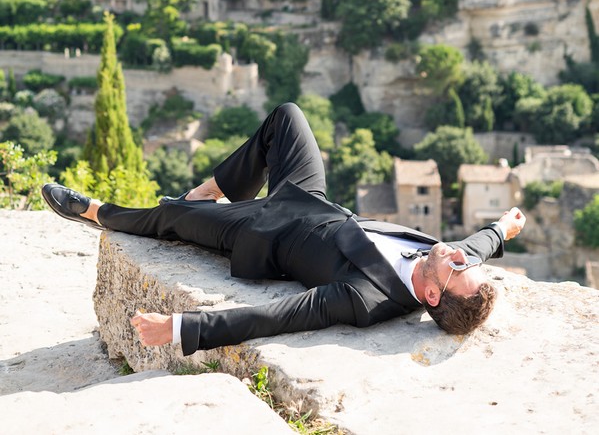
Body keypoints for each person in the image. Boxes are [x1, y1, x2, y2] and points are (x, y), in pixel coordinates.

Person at [42, 103, 526, 356]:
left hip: (265, 231)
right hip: (309, 199)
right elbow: (475, 246)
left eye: (460, 265)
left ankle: (95, 211)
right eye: (467, 260)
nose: (462, 255)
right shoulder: (446, 264)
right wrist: (503, 228)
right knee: (287, 117)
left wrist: (182, 328)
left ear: (434, 298)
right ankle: (213, 186)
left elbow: (278, 317)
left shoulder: (365, 300)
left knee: (172, 218)